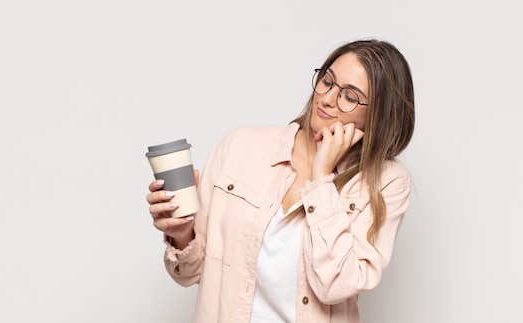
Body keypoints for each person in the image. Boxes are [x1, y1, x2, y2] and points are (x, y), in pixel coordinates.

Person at [145, 38, 415, 323]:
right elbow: (192, 273)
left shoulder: (385, 183)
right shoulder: (239, 147)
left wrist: (322, 176)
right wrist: (182, 232)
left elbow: (335, 285)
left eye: (349, 96)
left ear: (378, 115)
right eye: (327, 81)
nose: (327, 98)